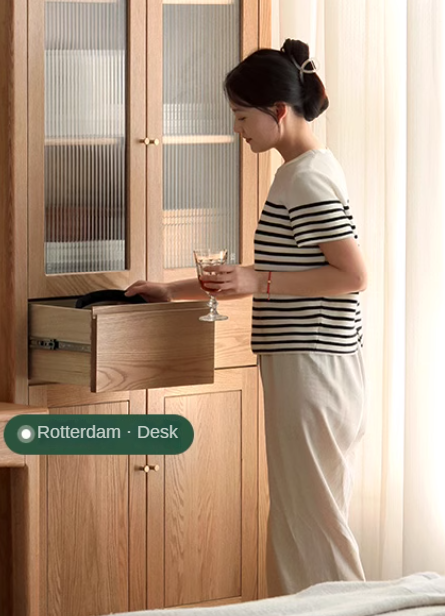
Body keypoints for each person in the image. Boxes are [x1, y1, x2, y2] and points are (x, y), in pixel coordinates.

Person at [126, 39, 367, 596]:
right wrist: (173, 289)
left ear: (278, 112)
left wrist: (259, 281)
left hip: (313, 369)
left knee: (313, 521)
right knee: (303, 516)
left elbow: (352, 275)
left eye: (241, 116)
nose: (238, 129)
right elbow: (276, 272)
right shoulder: (305, 170)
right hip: (316, 367)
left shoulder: (305, 178)